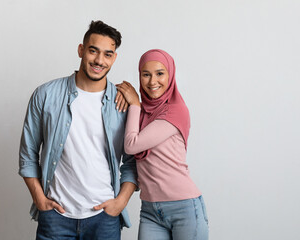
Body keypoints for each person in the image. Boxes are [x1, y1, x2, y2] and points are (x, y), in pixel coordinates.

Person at [18, 20, 137, 240]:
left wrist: (121, 202)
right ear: (81, 50)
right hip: (56, 217)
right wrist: (39, 199)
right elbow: (27, 155)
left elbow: (132, 162)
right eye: (93, 51)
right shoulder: (45, 95)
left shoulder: (122, 103)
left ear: (114, 58)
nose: (99, 60)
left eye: (108, 54)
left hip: (104, 218)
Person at [116, 49, 209, 240]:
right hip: (150, 209)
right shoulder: (144, 113)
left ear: (171, 74)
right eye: (146, 74)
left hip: (184, 208)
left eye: (160, 73)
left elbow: (132, 145)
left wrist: (134, 104)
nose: (152, 82)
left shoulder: (175, 111)